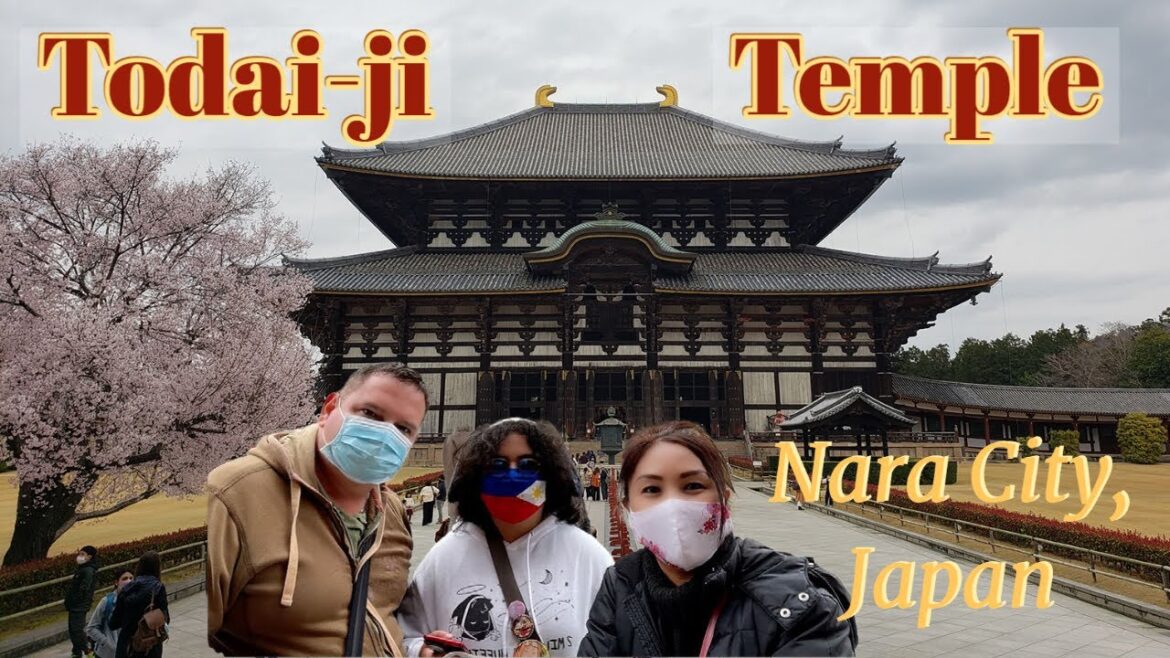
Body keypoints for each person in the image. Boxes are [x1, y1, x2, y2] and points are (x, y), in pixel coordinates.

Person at [578, 421, 858, 657]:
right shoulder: (620, 587)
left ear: (724, 498)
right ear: (627, 508)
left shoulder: (799, 603)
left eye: (693, 486)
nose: (674, 505)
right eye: (652, 489)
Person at [206, 363, 429, 656]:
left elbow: (382, 616)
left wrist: (414, 650)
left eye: (403, 428)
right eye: (370, 414)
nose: (384, 434)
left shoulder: (392, 511)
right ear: (329, 409)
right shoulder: (236, 491)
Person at [398, 418, 613, 657]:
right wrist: (422, 651)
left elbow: (620, 640)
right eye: (498, 464)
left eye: (528, 464)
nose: (512, 474)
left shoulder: (587, 554)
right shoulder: (444, 556)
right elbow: (402, 636)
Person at [111, 551, 170, 658]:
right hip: (150, 645)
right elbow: (165, 618)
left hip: (127, 646)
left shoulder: (126, 589)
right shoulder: (158, 587)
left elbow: (113, 623)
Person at [86, 568, 135, 658]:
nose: (129, 581)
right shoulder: (106, 602)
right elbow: (91, 628)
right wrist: (107, 643)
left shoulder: (138, 600)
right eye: (124, 578)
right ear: (116, 582)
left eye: (131, 578)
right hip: (107, 654)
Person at [65, 545, 100, 658]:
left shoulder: (88, 570)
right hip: (75, 605)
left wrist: (74, 599)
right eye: (79, 554)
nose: (79, 557)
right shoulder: (83, 569)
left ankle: (88, 651)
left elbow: (84, 589)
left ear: (89, 557)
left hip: (79, 605)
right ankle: (76, 652)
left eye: (82, 554)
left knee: (77, 631)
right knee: (73, 630)